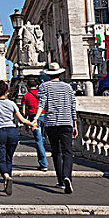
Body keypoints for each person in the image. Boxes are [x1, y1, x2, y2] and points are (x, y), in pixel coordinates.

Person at [33, 62, 77, 194]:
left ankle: (61, 180)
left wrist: (35, 118)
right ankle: (67, 176)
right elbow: (73, 106)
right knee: (68, 151)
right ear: (60, 73)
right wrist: (74, 124)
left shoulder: (44, 86)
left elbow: (42, 103)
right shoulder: (68, 87)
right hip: (66, 122)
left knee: (56, 151)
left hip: (51, 123)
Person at [0, 80, 36, 195]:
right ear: (7, 91)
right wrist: (32, 124)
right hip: (12, 131)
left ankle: (6, 176)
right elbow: (22, 119)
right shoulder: (12, 104)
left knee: (0, 158)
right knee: (9, 158)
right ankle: (7, 180)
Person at [22, 79, 48, 172]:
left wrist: (25, 123)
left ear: (27, 87)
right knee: (43, 138)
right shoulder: (41, 94)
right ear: (37, 86)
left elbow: (24, 112)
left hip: (34, 118)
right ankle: (44, 158)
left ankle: (43, 163)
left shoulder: (25, 96)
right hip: (44, 116)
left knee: (38, 140)